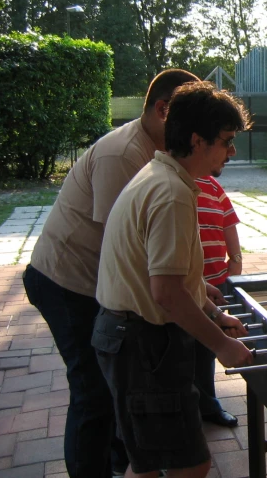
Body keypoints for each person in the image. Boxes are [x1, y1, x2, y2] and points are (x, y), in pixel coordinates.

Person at [22, 69, 200, 478]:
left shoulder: (157, 155)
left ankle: (125, 462)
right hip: (66, 282)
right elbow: (119, 247)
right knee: (93, 394)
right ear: (162, 110)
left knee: (115, 388)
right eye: (190, 117)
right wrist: (176, 295)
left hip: (94, 283)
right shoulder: (123, 155)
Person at [91, 81, 254, 478]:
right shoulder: (173, 193)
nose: (232, 152)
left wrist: (211, 309)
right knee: (190, 465)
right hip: (143, 345)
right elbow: (165, 293)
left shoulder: (162, 174)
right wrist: (222, 346)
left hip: (127, 337)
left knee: (148, 463)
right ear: (198, 140)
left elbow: (172, 278)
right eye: (227, 141)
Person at [194, 175, 242, 427]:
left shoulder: (212, 185)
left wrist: (235, 258)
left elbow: (228, 221)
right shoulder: (172, 185)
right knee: (186, 348)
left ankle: (207, 404)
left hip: (216, 281)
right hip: (186, 286)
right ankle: (192, 406)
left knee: (205, 351)